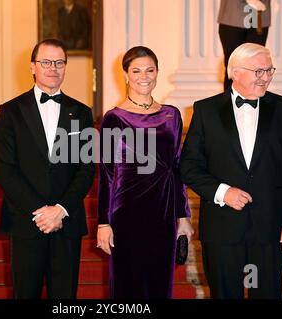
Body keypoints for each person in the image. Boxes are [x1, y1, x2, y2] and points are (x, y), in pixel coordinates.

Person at [180, 43, 282, 299]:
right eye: (259, 71)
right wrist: (222, 192)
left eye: (269, 71)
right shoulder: (206, 110)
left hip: (270, 228)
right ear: (235, 72)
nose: (266, 78)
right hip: (221, 228)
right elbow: (189, 166)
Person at [0, 38, 95, 299]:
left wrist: (60, 210)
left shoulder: (81, 112)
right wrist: (42, 214)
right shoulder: (10, 111)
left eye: (60, 62)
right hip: (27, 221)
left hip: (67, 220)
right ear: (32, 66)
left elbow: (86, 169)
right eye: (46, 62)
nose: (53, 68)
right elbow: (5, 169)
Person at [97, 46, 194, 299]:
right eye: (137, 70)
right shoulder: (113, 118)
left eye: (150, 70)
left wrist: (183, 217)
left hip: (162, 214)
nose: (144, 76)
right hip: (126, 212)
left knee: (160, 284)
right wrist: (103, 222)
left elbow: (176, 168)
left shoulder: (172, 115)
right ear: (126, 75)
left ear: (157, 73)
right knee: (128, 285)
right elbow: (106, 174)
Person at [218, 0, 271, 91]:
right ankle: (231, 104)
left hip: (259, 16)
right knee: (234, 68)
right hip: (233, 15)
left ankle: (252, 103)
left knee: (256, 68)